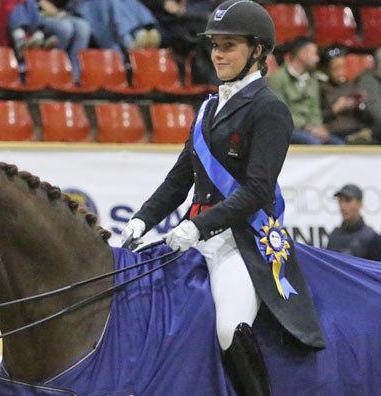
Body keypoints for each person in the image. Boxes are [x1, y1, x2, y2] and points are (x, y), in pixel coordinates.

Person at [120, 1, 324, 394]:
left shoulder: (270, 109)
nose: (217, 54)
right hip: (197, 235)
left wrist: (198, 227)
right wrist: (141, 220)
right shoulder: (209, 107)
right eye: (215, 45)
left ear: (258, 51)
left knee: (231, 327)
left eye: (229, 45)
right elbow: (179, 180)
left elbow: (256, 191)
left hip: (240, 240)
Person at [268, 37, 344, 145]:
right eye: (314, 54)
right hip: (288, 128)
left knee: (338, 144)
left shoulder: (312, 79)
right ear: (303, 54)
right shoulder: (278, 78)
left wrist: (317, 127)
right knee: (314, 142)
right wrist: (308, 127)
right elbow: (281, 113)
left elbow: (315, 110)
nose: (317, 59)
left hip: (310, 129)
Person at [319, 46, 381, 144]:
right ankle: (358, 138)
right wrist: (335, 109)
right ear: (326, 70)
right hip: (337, 131)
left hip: (358, 129)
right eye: (335, 69)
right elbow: (316, 117)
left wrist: (362, 105)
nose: (340, 72)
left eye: (343, 67)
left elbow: (366, 117)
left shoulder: (352, 85)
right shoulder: (322, 88)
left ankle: (365, 135)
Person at [327, 184, 381, 263]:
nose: (342, 206)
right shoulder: (334, 236)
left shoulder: (372, 239)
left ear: (360, 204)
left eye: (348, 200)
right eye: (340, 201)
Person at [39, 0, 91, 83]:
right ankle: (56, 69)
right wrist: (56, 13)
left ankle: (75, 77)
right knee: (65, 28)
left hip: (61, 15)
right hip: (39, 15)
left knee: (83, 27)